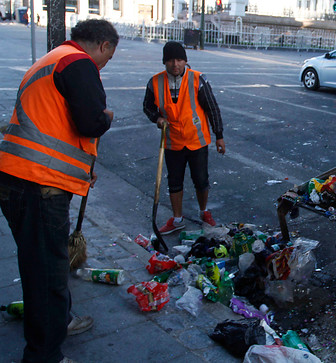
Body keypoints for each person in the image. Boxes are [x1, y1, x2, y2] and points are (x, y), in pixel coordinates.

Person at [0, 19, 118, 363]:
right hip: (37, 185)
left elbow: (55, 124)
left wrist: (82, 169)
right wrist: (106, 117)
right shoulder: (77, 63)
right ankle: (44, 355)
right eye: (109, 56)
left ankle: (60, 322)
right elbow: (90, 121)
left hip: (22, 179)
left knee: (42, 265)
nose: (106, 62)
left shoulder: (55, 58)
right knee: (48, 274)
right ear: (104, 46)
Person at [143, 41, 225, 234]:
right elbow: (147, 106)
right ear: (165, 62)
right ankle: (177, 218)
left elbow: (212, 108)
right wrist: (157, 118)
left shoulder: (198, 79)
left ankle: (204, 212)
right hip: (172, 141)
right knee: (174, 182)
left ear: (185, 61)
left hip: (197, 140)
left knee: (201, 180)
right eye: (171, 60)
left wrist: (219, 135)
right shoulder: (155, 82)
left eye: (179, 59)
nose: (175, 64)